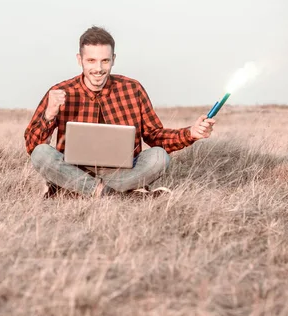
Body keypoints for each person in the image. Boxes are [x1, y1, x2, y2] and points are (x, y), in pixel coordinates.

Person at [24, 26, 215, 198]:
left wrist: (191, 133)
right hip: (74, 169)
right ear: (79, 60)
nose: (98, 69)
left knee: (159, 157)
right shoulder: (61, 91)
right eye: (91, 60)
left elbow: (155, 137)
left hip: (122, 172)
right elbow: (33, 146)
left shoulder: (132, 88)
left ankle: (76, 190)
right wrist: (48, 115)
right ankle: (118, 193)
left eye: (105, 61)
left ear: (113, 60)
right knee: (42, 154)